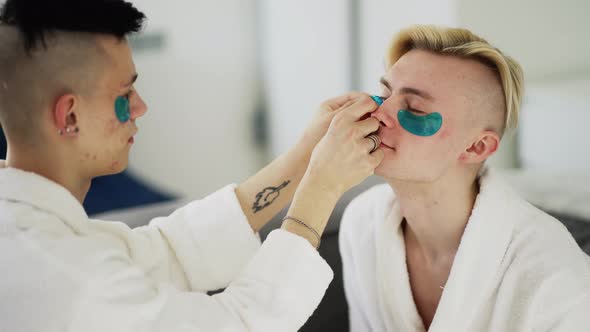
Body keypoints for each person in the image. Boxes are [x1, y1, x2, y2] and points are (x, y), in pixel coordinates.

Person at [0, 0, 385, 331]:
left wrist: (304, 154)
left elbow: (168, 248)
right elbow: (240, 324)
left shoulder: (30, 228)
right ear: (69, 115)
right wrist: (322, 187)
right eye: (124, 93)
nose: (140, 107)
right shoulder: (72, 279)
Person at [339, 25, 590, 331]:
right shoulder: (361, 223)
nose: (378, 114)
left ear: (476, 147)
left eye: (414, 108)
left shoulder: (556, 277)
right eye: (384, 93)